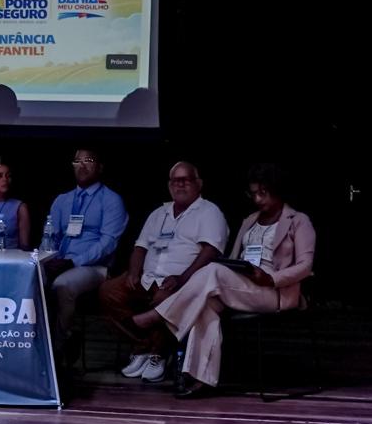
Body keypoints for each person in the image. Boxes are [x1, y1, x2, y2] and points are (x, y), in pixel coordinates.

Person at [133, 163, 315, 398]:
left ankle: (161, 315)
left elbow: (305, 266)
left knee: (212, 271)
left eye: (263, 193)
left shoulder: (298, 220)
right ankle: (200, 378)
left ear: (277, 191)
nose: (257, 199)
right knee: (204, 304)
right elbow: (236, 257)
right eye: (253, 194)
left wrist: (271, 278)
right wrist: (237, 268)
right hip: (242, 283)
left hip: (274, 291)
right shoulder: (250, 220)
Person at [100, 162, 228, 383]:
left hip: (183, 282)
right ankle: (142, 346)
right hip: (147, 278)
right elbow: (140, 247)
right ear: (169, 186)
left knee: (164, 299)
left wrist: (182, 279)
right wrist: (133, 272)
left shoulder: (209, 212)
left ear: (199, 184)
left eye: (186, 180)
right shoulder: (159, 213)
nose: (180, 185)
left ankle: (158, 354)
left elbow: (211, 251)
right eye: (175, 181)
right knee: (108, 291)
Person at [41, 148, 128, 352]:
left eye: (88, 160)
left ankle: (58, 348)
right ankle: (33, 343)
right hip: (61, 261)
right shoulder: (62, 200)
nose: (82, 165)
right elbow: (50, 237)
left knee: (63, 285)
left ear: (100, 167)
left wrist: (73, 262)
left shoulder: (111, 200)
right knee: (30, 279)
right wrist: (46, 260)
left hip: (94, 266)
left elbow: (108, 243)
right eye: (77, 161)